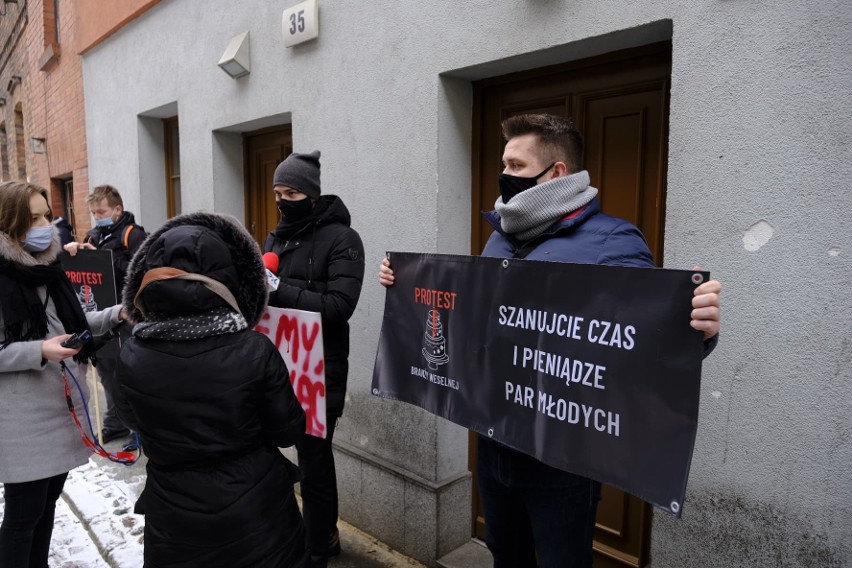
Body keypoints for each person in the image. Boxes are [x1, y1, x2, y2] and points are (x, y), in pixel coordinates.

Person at [379, 113, 722, 568]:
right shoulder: (500, 240)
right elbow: (473, 320)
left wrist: (698, 330)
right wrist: (404, 286)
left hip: (562, 462)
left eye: (516, 166)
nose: (504, 176)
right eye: (503, 164)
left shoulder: (612, 242)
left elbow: (648, 338)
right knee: (506, 554)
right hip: (494, 444)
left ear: (557, 173)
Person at [114, 211, 310, 567]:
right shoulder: (255, 350)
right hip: (258, 518)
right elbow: (289, 430)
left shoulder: (131, 354)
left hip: (174, 520)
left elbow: (132, 419)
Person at [0, 180, 124, 567]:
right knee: (22, 519)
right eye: (31, 217)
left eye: (45, 216)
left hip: (61, 409)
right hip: (21, 423)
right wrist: (38, 350)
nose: (44, 226)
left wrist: (116, 314)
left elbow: (69, 326)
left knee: (47, 508)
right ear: (9, 223)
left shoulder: (48, 269)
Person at [263, 151, 365, 567]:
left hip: (318, 370)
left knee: (315, 462)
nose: (284, 200)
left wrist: (277, 286)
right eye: (278, 192)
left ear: (312, 194)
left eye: (293, 192)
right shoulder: (275, 238)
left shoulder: (343, 239)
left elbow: (340, 306)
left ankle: (321, 542)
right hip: (274, 364)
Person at [64, 184, 147, 446]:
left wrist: (102, 258)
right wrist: (77, 255)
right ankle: (116, 423)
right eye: (93, 212)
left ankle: (139, 429)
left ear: (117, 209)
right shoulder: (92, 236)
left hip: (127, 315)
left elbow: (142, 270)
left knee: (129, 375)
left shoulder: (134, 235)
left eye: (101, 211)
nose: (97, 216)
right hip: (100, 316)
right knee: (107, 374)